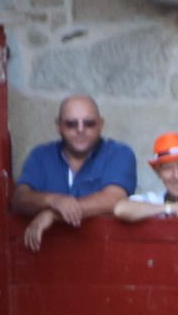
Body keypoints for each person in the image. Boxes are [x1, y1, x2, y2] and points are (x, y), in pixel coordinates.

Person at [13, 94, 136, 252]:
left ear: (101, 124)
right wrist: (53, 200)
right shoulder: (41, 155)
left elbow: (114, 199)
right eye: (71, 124)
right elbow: (19, 199)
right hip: (48, 261)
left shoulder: (119, 153)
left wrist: (52, 214)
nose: (80, 130)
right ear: (58, 126)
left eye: (89, 123)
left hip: (106, 256)